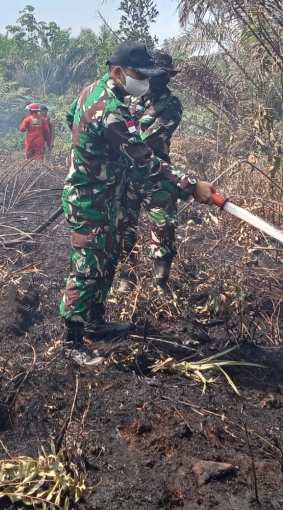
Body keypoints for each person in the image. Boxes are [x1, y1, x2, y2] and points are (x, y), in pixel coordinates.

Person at [60, 40, 215, 361]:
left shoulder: (96, 91)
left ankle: (95, 322)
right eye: (139, 75)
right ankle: (71, 342)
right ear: (118, 71)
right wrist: (191, 184)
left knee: (107, 258)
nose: (144, 82)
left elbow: (71, 117)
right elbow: (143, 157)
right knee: (88, 267)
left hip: (108, 196)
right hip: (91, 200)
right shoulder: (112, 110)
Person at [117, 50, 184, 290]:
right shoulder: (135, 102)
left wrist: (123, 139)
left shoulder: (171, 104)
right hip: (129, 176)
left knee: (164, 227)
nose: (155, 79)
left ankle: (160, 282)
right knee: (125, 227)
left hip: (158, 175)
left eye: (162, 75)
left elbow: (148, 138)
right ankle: (127, 277)